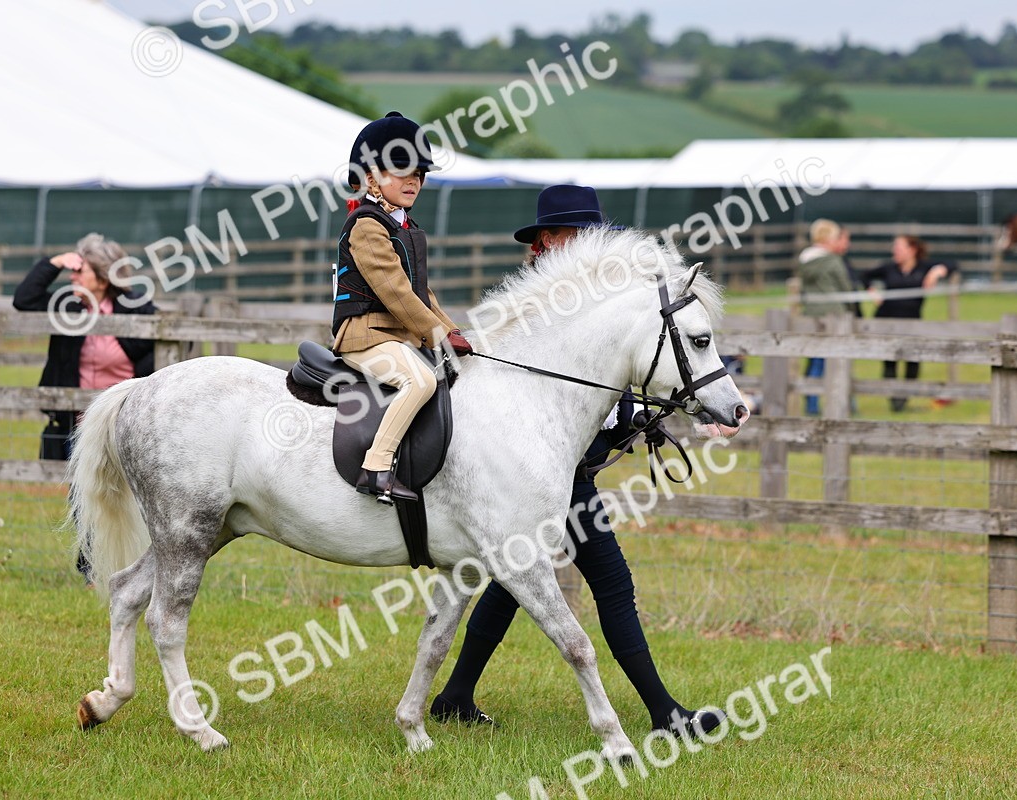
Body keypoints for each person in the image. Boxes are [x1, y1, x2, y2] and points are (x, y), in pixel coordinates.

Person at [430, 185, 726, 738]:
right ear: (547, 242)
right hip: (538, 475)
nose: (593, 247)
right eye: (578, 235)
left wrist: (646, 417)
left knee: (512, 580)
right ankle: (665, 715)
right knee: (607, 582)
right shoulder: (536, 312)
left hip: (565, 473)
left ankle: (455, 694)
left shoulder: (586, 306)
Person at [333, 111, 472, 504]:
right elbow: (395, 293)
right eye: (402, 171)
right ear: (372, 177)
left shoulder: (403, 227)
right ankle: (375, 467)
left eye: (420, 174)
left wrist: (454, 330)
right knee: (421, 381)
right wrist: (438, 334)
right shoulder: (367, 226)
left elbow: (423, 294)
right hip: (365, 336)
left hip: (395, 337)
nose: (414, 181)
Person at [13, 232, 156, 579]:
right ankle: (92, 570)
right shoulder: (69, 309)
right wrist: (56, 262)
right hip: (77, 422)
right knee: (85, 496)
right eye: (72, 273)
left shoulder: (137, 309)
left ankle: (134, 564)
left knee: (129, 498)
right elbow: (24, 298)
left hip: (124, 423)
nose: (73, 279)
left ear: (104, 277)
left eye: (81, 272)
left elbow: (155, 356)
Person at [862, 235, 955, 412]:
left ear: (912, 250)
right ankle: (895, 402)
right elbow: (864, 276)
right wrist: (873, 292)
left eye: (899, 248)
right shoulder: (889, 268)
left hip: (912, 321)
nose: (894, 251)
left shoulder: (923, 268)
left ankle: (903, 398)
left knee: (913, 361)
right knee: (890, 362)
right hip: (888, 320)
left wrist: (936, 272)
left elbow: (952, 265)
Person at [797, 219, 854, 416]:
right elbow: (845, 288)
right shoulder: (832, 260)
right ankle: (847, 402)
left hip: (812, 315)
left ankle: (811, 402)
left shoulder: (804, 260)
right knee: (839, 361)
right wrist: (852, 310)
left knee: (815, 360)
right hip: (835, 316)